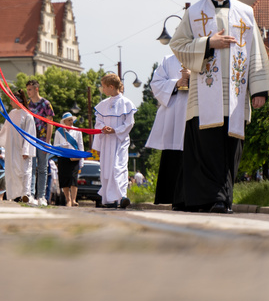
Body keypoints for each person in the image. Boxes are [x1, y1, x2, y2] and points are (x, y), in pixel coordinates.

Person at [170, 0, 269, 214]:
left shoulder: (246, 12)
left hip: (236, 95)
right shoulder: (194, 12)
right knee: (208, 150)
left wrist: (259, 89)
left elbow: (256, 53)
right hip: (203, 96)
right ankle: (215, 199)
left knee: (230, 150)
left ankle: (221, 198)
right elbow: (177, 45)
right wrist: (208, 43)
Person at [145, 53, 189, 209]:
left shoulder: (204, 54)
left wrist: (193, 80)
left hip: (196, 109)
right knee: (174, 154)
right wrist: (176, 83)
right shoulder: (169, 59)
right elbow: (156, 83)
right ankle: (173, 197)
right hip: (174, 112)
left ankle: (195, 198)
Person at [93, 73, 135, 209]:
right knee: (107, 169)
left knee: (118, 167)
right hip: (106, 141)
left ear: (111, 87)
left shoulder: (127, 103)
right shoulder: (102, 105)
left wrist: (115, 130)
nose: (102, 89)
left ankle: (121, 196)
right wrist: (103, 128)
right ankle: (108, 199)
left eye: (104, 87)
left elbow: (129, 123)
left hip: (120, 141)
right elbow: (98, 122)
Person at [2, 89, 36, 203]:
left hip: (22, 149)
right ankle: (15, 195)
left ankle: (25, 194)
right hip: (12, 149)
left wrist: (26, 150)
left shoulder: (27, 115)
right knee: (13, 171)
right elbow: (5, 129)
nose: (10, 103)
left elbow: (30, 134)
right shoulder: (11, 113)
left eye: (12, 100)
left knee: (25, 171)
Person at [26, 79, 54, 206]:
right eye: (27, 90)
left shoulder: (46, 104)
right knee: (30, 168)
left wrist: (47, 143)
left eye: (30, 90)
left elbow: (50, 124)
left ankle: (41, 196)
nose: (28, 92)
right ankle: (30, 194)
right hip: (31, 140)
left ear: (36, 89)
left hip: (42, 140)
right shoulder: (27, 104)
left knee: (42, 169)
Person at [53, 112, 83, 207]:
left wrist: (81, 161)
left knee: (74, 179)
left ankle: (74, 200)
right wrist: (62, 146)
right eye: (69, 120)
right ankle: (68, 200)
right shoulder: (59, 131)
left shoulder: (77, 131)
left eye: (72, 120)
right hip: (63, 158)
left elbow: (80, 146)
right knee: (64, 179)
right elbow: (55, 146)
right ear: (64, 121)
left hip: (74, 157)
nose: (71, 122)